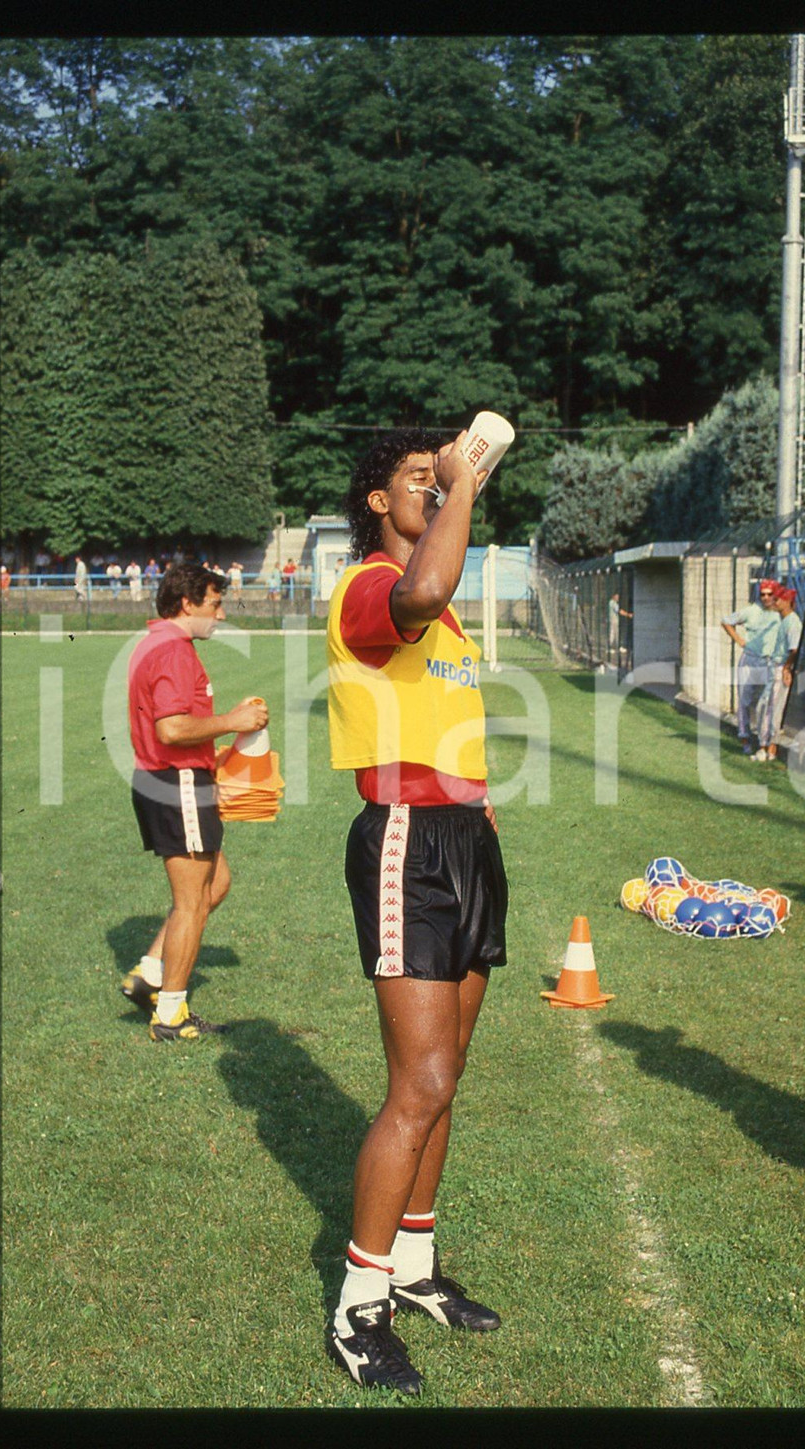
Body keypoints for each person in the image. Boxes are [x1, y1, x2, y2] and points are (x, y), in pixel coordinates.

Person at [324, 428, 507, 1396]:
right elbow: (423, 590)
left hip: (464, 838)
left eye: (439, 482)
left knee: (451, 1076)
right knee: (420, 1082)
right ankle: (359, 1308)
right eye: (417, 482)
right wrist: (467, 485)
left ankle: (414, 1269)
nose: (434, 493)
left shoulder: (445, 617)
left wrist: (478, 803)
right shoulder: (367, 586)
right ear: (373, 501)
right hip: (406, 840)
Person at [121, 561, 269, 1040]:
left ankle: (150, 973)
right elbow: (171, 728)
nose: (221, 616)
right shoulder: (173, 652)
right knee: (190, 904)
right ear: (187, 603)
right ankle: (170, 1014)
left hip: (175, 779)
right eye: (215, 604)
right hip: (175, 782)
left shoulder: (156, 642)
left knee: (216, 883)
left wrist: (215, 755)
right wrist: (234, 720)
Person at [721, 580, 782, 756]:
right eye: (763, 594)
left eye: (770, 594)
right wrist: (739, 640)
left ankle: (767, 741)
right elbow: (726, 621)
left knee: (768, 703)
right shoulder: (751, 611)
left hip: (770, 661)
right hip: (750, 660)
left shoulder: (780, 613)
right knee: (744, 701)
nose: (766, 598)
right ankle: (745, 738)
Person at [755, 586, 803, 762]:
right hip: (773, 667)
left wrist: (786, 669)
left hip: (779, 668)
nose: (774, 602)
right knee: (766, 708)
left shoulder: (792, 622)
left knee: (770, 709)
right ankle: (767, 747)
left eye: (778, 600)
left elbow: (794, 649)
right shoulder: (784, 621)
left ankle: (767, 748)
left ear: (788, 602)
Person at [607, 591, 633, 666]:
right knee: (613, 633)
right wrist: (628, 615)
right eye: (617, 596)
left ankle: (617, 647)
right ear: (613, 596)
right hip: (613, 620)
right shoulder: (613, 603)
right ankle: (610, 647)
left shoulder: (612, 602)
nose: (618, 598)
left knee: (616, 633)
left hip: (615, 620)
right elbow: (619, 611)